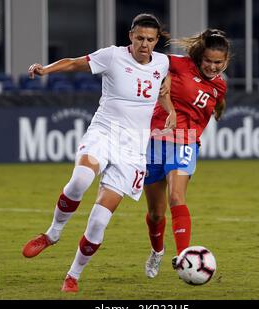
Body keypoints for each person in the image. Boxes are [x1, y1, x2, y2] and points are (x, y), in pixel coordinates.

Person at [21, 13, 176, 293]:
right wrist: (46, 69)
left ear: (156, 41)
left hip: (133, 150)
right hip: (104, 133)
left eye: (150, 40)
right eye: (140, 38)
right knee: (80, 180)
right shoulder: (113, 56)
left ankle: (73, 276)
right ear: (131, 35)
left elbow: (162, 89)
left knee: (99, 221)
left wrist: (171, 111)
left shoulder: (162, 63)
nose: (144, 44)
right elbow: (73, 63)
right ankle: (52, 234)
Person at [143, 29, 230, 278]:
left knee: (176, 197)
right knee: (156, 213)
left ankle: (184, 257)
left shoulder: (219, 85)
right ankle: (157, 252)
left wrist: (219, 110)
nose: (213, 67)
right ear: (199, 57)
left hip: (186, 141)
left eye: (218, 63)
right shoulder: (178, 65)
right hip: (156, 140)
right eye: (208, 61)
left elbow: (219, 99)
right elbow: (150, 56)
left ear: (225, 62)